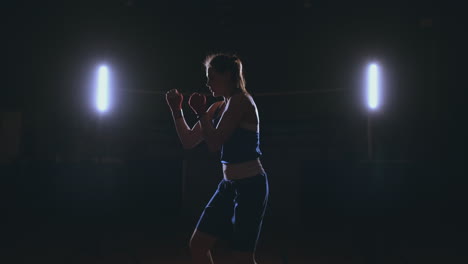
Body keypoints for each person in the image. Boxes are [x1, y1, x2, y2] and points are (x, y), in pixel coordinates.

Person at [165, 53, 269, 264]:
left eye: (212, 77)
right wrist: (176, 110)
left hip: (250, 187)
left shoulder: (241, 102)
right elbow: (188, 141)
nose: (208, 83)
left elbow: (214, 143)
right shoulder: (217, 107)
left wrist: (202, 113)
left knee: (243, 258)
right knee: (198, 245)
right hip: (229, 186)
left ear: (228, 75)